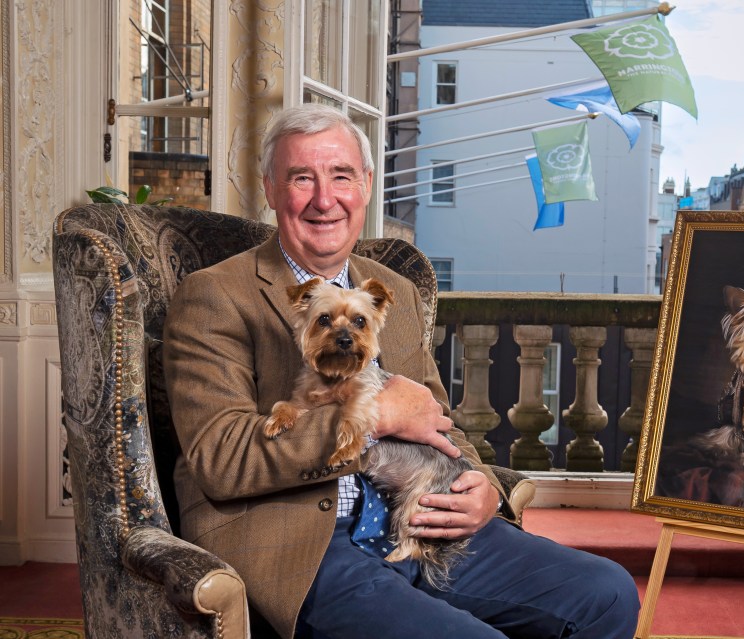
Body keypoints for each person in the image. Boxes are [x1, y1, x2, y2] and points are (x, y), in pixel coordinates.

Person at [164, 103, 640, 639]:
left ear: (365, 186)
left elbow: (438, 420)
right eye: (302, 178)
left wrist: (484, 486)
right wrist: (374, 417)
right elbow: (220, 458)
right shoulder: (214, 295)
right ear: (271, 190)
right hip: (299, 544)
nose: (325, 199)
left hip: (418, 516)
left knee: (608, 592)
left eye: (341, 176)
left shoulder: (396, 291)